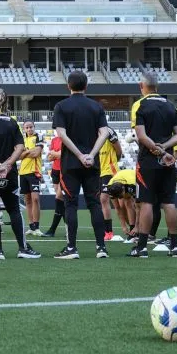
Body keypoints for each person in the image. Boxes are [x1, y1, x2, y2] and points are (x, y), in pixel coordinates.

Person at [0, 87, 41, 259]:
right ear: (4, 102)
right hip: (10, 173)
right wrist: (8, 164)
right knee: (14, 210)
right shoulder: (12, 122)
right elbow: (20, 147)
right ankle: (23, 248)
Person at [52, 71, 111, 260]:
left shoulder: (61, 106)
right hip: (91, 164)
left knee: (70, 204)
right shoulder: (96, 106)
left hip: (70, 163)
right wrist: (90, 155)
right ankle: (101, 247)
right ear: (86, 86)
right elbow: (104, 133)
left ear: (68, 86)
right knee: (94, 204)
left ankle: (71, 248)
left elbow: (61, 134)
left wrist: (78, 155)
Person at [129, 73, 177, 258]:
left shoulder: (139, 105)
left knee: (146, 202)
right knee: (169, 202)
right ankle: (174, 245)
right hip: (168, 162)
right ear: (157, 87)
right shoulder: (171, 106)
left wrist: (158, 150)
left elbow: (141, 136)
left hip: (148, 161)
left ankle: (142, 247)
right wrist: (165, 148)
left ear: (141, 85)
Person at [18, 120, 44, 237]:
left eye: (31, 127)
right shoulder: (21, 140)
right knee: (27, 200)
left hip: (34, 172)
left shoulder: (38, 137)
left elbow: (36, 153)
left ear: (34, 127)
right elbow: (18, 156)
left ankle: (37, 227)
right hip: (23, 172)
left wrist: (26, 152)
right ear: (24, 129)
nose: (29, 129)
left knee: (35, 199)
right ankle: (31, 226)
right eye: (27, 127)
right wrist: (28, 152)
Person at [98, 128, 124, 242]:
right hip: (99, 172)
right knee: (111, 203)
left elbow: (119, 151)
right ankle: (108, 231)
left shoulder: (108, 131)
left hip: (110, 171)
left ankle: (133, 227)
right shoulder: (90, 133)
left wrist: (113, 162)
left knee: (119, 203)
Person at [106, 168, 138, 239]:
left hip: (134, 177)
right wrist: (123, 226)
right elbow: (117, 208)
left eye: (120, 196)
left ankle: (136, 228)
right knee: (121, 206)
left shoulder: (132, 185)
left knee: (129, 204)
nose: (120, 198)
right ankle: (132, 229)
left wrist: (137, 226)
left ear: (123, 189)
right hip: (122, 179)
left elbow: (139, 207)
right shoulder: (110, 188)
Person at [42, 133, 63, 237]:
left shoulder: (67, 139)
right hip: (55, 171)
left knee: (59, 198)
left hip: (65, 171)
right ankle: (69, 229)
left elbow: (61, 154)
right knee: (61, 200)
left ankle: (52, 229)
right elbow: (50, 158)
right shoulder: (54, 140)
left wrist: (55, 153)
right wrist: (56, 154)